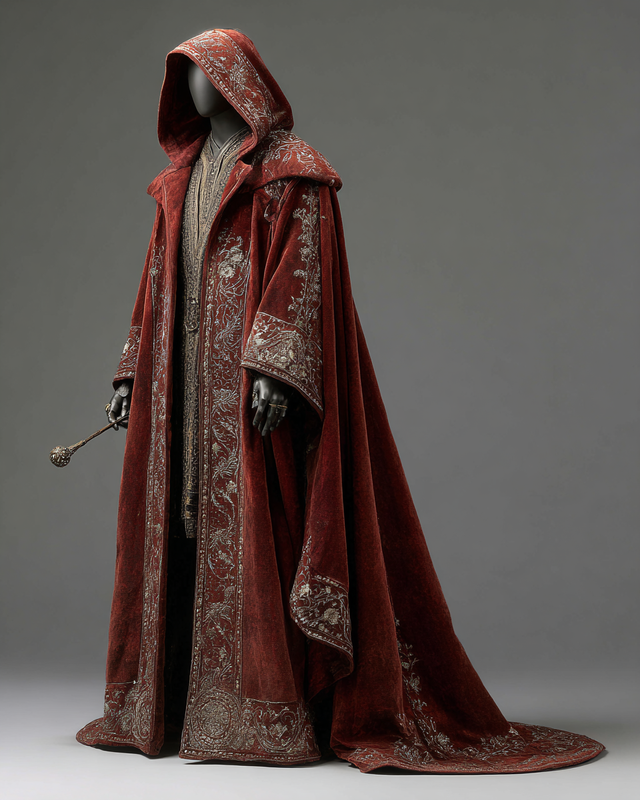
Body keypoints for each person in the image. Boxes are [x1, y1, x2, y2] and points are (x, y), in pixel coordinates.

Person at [77, 28, 603, 772]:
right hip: (182, 393)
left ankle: (266, 708)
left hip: (246, 392)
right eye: (184, 74)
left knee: (265, 524)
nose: (193, 85)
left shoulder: (292, 172)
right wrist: (132, 374)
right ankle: (176, 705)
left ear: (238, 80)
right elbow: (154, 283)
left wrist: (274, 367)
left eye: (204, 71)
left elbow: (303, 273)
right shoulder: (179, 182)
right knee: (180, 529)